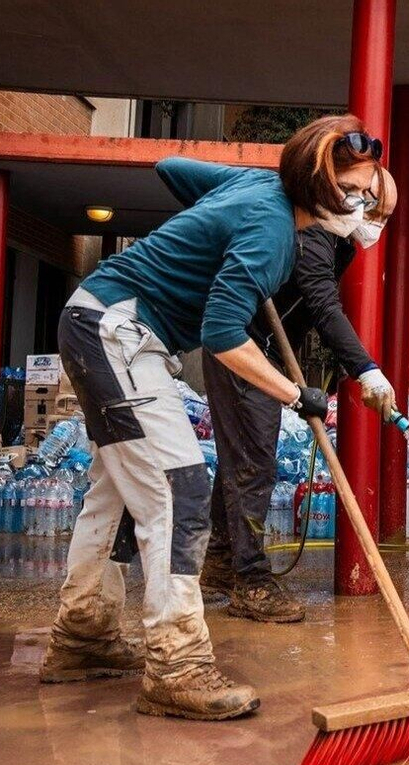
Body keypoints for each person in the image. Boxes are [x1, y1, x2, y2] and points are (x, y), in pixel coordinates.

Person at [38, 115, 380, 719]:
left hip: (98, 320)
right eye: (354, 193)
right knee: (180, 488)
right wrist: (295, 395)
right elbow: (224, 335)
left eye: (367, 194)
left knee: (115, 493)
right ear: (319, 189)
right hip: (116, 331)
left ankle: (83, 637)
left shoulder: (253, 189)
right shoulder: (273, 235)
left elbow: (172, 169)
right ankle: (177, 663)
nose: (361, 208)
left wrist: (217, 216)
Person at [198, 168, 400, 622]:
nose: (376, 225)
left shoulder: (333, 239)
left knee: (242, 457)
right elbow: (324, 306)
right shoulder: (315, 239)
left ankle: (222, 559)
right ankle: (249, 581)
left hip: (263, 348)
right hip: (244, 348)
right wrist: (366, 369)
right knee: (253, 462)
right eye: (376, 212)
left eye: (384, 217)